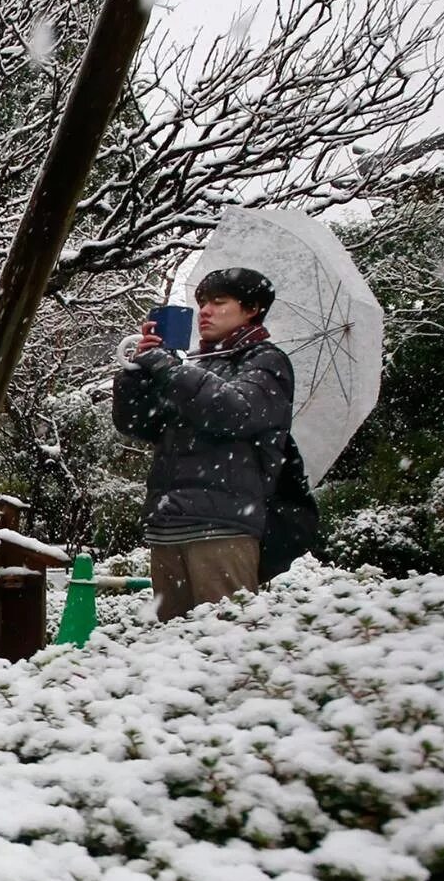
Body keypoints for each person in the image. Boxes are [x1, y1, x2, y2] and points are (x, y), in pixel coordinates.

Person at [112, 266, 314, 621]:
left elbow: (234, 411)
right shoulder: (195, 367)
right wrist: (138, 373)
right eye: (201, 302)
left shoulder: (265, 360)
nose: (204, 311)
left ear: (251, 308)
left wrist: (170, 369)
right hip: (168, 525)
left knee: (223, 642)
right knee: (169, 647)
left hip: (223, 526)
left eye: (218, 302)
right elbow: (138, 424)